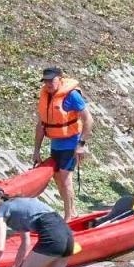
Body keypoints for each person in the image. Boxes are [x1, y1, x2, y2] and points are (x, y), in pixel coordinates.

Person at [34, 67, 90, 219]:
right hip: (56, 143)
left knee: (65, 179)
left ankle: (68, 217)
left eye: (51, 80)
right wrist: (36, 151)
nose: (48, 84)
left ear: (60, 79)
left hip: (71, 142)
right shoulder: (46, 96)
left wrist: (81, 145)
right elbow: (41, 125)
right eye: (45, 81)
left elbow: (88, 120)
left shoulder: (72, 95)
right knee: (58, 178)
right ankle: (72, 212)